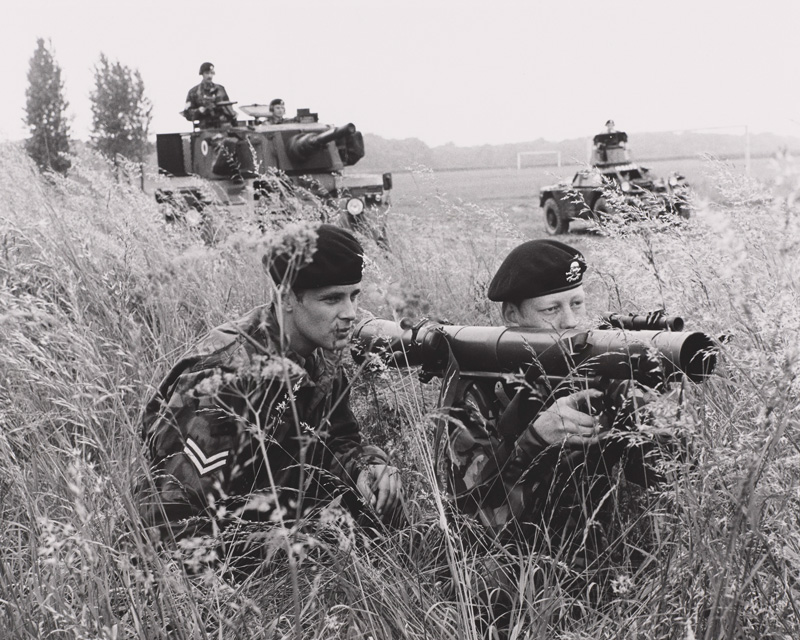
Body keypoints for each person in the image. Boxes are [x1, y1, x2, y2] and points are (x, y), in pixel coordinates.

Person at [139, 224, 403, 571]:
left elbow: (337, 441)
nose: (350, 313)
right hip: (212, 550)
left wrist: (367, 469)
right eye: (332, 299)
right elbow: (172, 526)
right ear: (287, 297)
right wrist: (294, 548)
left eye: (354, 296)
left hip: (276, 511)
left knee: (386, 505)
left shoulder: (322, 354)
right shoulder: (227, 381)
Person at [447, 239, 676, 567]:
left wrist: (651, 406)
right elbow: (475, 520)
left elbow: (665, 476)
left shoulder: (593, 371)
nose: (570, 320)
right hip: (505, 575)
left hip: (591, 569)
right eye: (551, 309)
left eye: (577, 304)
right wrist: (534, 441)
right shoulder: (476, 389)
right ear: (512, 314)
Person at [183, 62, 236, 129]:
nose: (209, 76)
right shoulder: (194, 92)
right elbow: (187, 113)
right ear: (202, 74)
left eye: (211, 73)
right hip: (206, 129)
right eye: (207, 73)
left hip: (224, 126)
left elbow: (229, 109)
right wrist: (199, 111)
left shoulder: (220, 89)